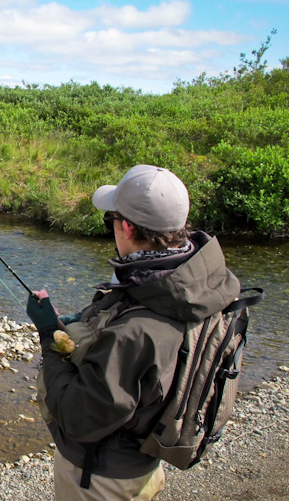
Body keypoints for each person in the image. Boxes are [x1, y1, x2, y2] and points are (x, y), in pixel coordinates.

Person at [25, 164, 241, 500]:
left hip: (100, 481)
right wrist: (83, 322)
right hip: (145, 465)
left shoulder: (138, 330)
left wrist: (50, 335)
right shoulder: (198, 284)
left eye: (109, 219)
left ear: (125, 226)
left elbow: (78, 417)